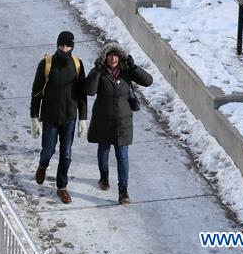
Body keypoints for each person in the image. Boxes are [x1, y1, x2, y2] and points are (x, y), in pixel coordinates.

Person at [85, 41, 153, 204]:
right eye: (110, 55)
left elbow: (148, 81)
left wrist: (134, 67)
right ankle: (104, 177)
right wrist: (96, 71)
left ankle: (123, 192)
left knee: (122, 157)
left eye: (116, 55)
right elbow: (90, 90)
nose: (113, 58)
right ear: (105, 57)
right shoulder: (100, 71)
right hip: (103, 120)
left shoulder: (127, 71)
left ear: (120, 57)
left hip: (123, 122)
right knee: (103, 150)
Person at [29, 30, 88, 204]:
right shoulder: (46, 64)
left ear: (72, 46)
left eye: (68, 46)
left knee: (67, 154)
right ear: (57, 45)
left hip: (69, 117)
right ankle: (43, 165)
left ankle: (62, 187)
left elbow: (82, 94)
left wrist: (83, 118)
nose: (65, 49)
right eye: (62, 45)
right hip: (50, 116)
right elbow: (36, 92)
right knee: (48, 149)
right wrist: (34, 117)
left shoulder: (77, 65)